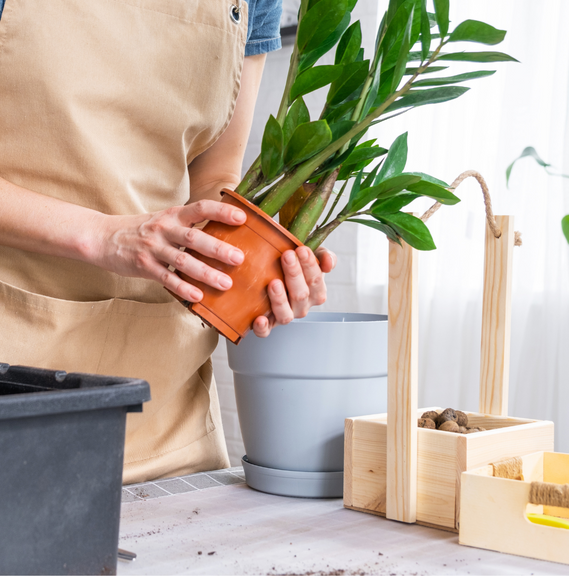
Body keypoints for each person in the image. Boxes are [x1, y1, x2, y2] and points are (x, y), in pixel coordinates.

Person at [0, 0, 335, 483]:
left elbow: (215, 174)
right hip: (15, 383)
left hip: (165, 411)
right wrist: (103, 236)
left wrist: (254, 264)